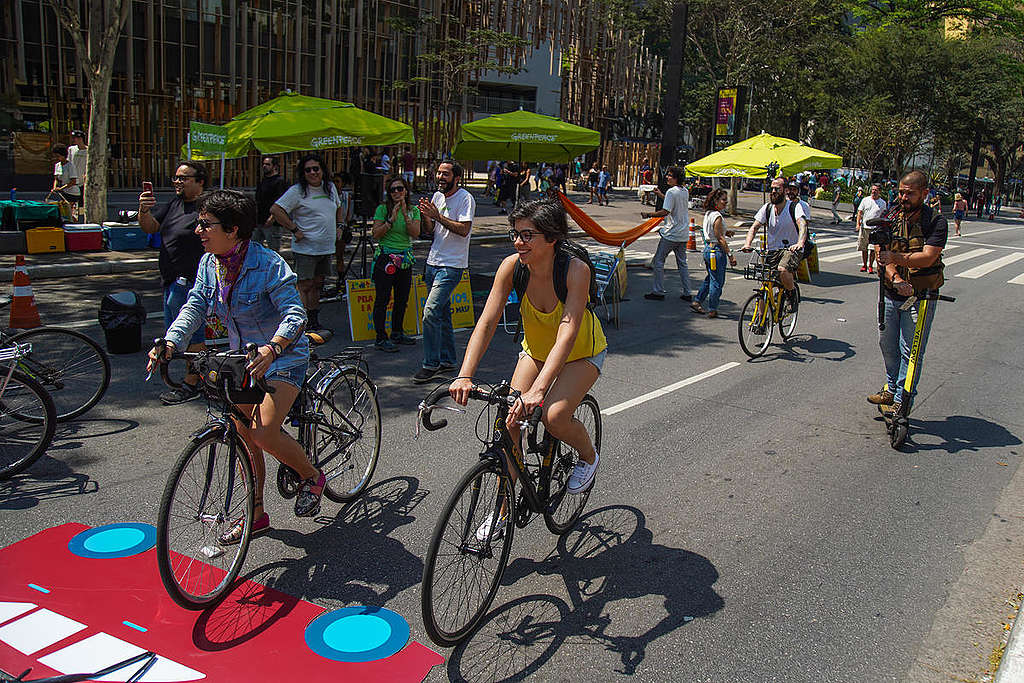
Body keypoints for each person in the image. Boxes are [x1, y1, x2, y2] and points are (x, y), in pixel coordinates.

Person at [147, 189, 324, 533]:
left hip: (283, 357)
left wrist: (273, 348)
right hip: (241, 359)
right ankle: (256, 515)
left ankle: (311, 475)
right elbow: (195, 306)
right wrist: (171, 341)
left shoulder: (269, 264)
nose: (197, 230)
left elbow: (295, 314)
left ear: (233, 230)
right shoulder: (208, 263)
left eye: (205, 224)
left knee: (262, 432)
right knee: (243, 437)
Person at [449, 198, 606, 539]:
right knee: (510, 422)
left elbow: (568, 331)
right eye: (515, 234)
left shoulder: (575, 270)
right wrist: (465, 373)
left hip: (581, 354)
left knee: (553, 416)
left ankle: (588, 456)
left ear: (552, 238)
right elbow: (487, 321)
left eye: (527, 234)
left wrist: (538, 391)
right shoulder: (512, 267)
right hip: (535, 352)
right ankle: (502, 511)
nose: (518, 241)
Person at [867, 170, 947, 416]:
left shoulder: (935, 221)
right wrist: (895, 276)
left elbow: (928, 256)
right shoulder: (889, 215)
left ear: (924, 193)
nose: (903, 197)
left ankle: (902, 397)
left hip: (921, 297)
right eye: (901, 192)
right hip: (892, 292)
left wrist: (896, 257)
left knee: (910, 350)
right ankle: (891, 388)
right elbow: (882, 252)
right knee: (887, 344)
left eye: (909, 193)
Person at [139, 160, 208, 404]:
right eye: (176, 178)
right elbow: (151, 227)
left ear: (200, 182)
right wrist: (144, 210)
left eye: (184, 178)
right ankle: (195, 378)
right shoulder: (174, 205)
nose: (178, 182)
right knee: (177, 335)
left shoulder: (206, 208)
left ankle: (194, 382)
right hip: (170, 281)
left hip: (191, 282)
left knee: (192, 337)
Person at [414, 161, 475, 383]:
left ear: (456, 178)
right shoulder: (437, 197)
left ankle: (430, 364)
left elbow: (464, 230)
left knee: (430, 312)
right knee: (442, 314)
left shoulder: (465, 198)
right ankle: (448, 360)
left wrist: (438, 216)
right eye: (438, 173)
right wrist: (426, 216)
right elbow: (431, 230)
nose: (440, 177)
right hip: (433, 262)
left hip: (452, 265)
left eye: (445, 174)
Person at [270, 154, 344, 333]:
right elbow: (276, 209)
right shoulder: (297, 191)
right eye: (308, 170)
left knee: (318, 284)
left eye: (316, 169)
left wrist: (340, 225)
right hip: (306, 249)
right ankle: (300, 323)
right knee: (305, 285)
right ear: (303, 173)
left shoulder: (330, 187)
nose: (312, 173)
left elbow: (339, 207)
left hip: (326, 248)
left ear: (322, 170)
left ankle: (313, 321)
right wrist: (294, 229)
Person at [371, 175, 423, 352]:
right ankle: (380, 337)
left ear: (405, 191)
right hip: (386, 257)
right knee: (382, 299)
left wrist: (405, 216)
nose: (396, 192)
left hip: (405, 258)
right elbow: (376, 234)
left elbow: (416, 233)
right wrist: (391, 219)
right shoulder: (382, 209)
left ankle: (397, 332)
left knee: (402, 299)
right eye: (392, 190)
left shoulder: (413, 210)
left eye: (399, 189)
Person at [741, 176, 808, 310]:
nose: (773, 191)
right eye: (771, 189)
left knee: (782, 270)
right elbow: (754, 227)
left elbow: (803, 224)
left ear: (785, 190)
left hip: (791, 249)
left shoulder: (795, 207)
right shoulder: (767, 208)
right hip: (772, 251)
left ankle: (791, 294)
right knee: (764, 287)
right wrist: (747, 243)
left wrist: (800, 242)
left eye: (777, 188)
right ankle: (761, 321)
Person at [640, 166, 692, 302]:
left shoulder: (671, 192)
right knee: (682, 264)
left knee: (658, 261)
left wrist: (649, 214)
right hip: (683, 233)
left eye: (670, 175)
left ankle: (658, 291)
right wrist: (660, 195)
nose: (667, 177)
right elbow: (672, 204)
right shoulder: (684, 191)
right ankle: (687, 292)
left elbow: (665, 211)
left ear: (676, 178)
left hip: (671, 234)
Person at [691, 189, 736, 317]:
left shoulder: (709, 214)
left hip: (708, 250)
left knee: (711, 278)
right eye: (723, 200)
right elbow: (719, 238)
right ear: (716, 201)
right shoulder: (717, 216)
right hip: (716, 252)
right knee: (717, 282)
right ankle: (712, 308)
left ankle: (698, 301)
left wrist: (727, 232)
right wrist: (730, 255)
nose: (726, 203)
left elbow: (715, 232)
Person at [254, 156, 289, 252]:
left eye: (268, 164)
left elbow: (282, 202)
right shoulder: (263, 181)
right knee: (254, 248)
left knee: (273, 251)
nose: (265, 166)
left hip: (273, 224)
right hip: (259, 221)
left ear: (274, 166)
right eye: (264, 164)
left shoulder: (279, 182)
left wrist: (272, 218)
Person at [331, 171, 355, 289]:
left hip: (340, 228)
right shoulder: (328, 196)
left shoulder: (346, 197)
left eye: (338, 182)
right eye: (333, 181)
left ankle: (340, 278)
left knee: (339, 255)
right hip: (328, 228)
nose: (335, 184)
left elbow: (348, 215)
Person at [856, 184, 887, 274]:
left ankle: (870, 265)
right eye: (873, 189)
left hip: (875, 229)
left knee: (873, 249)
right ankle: (864, 265)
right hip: (865, 227)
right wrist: (858, 224)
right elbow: (859, 212)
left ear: (879, 192)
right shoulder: (865, 200)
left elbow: (884, 215)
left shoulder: (882, 203)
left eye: (876, 190)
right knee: (863, 247)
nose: (874, 191)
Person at [50, 144, 81, 219]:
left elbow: (73, 181)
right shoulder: (57, 165)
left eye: (58, 156)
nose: (57, 158)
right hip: (63, 193)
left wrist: (61, 188)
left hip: (72, 193)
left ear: (64, 155)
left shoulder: (70, 165)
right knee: (63, 213)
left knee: (70, 213)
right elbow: (56, 179)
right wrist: (55, 188)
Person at [68, 130, 87, 212]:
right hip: (73, 179)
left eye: (75, 138)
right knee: (72, 200)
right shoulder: (71, 149)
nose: (74, 140)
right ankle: (73, 217)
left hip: (82, 180)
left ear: (80, 138)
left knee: (82, 201)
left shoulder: (88, 150)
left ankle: (82, 216)